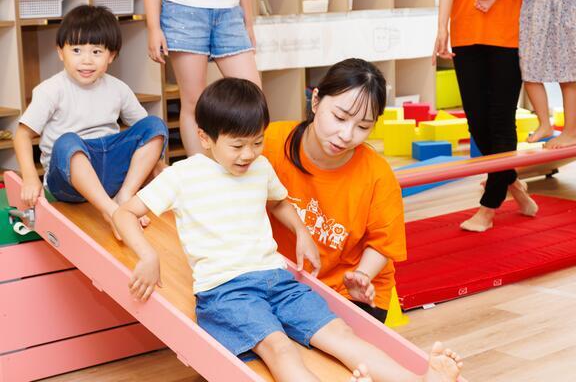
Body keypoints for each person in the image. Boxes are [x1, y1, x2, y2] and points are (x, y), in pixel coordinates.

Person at [113, 78, 463, 382]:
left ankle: (421, 380)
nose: (248, 154)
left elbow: (280, 201)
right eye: (237, 145)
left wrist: (301, 232)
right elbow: (125, 213)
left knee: (340, 333)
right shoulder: (183, 176)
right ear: (205, 138)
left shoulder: (260, 167)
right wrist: (148, 256)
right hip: (227, 291)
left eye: (257, 142)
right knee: (280, 348)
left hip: (278, 280)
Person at [262, 58, 406, 323]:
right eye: (339, 118)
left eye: (363, 127)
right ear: (316, 101)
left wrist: (361, 276)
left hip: (350, 290)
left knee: (339, 343)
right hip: (278, 280)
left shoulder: (378, 174)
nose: (347, 135)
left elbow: (383, 243)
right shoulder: (269, 143)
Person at [14, 5, 168, 238]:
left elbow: (146, 133)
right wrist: (29, 177)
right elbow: (22, 135)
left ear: (111, 55)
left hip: (110, 174)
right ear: (60, 52)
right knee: (67, 142)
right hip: (68, 180)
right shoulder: (50, 90)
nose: (86, 60)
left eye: (96, 52)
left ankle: (124, 196)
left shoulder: (118, 88)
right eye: (76, 50)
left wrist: (158, 166)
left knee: (156, 125)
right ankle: (112, 211)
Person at [433, 0, 539, 232]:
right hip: (465, 27)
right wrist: (442, 27)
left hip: (508, 29)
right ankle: (513, 183)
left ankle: (488, 207)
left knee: (501, 121)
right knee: (477, 123)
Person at [143, 0, 261, 156]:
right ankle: (200, 167)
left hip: (230, 11)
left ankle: (244, 161)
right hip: (183, 9)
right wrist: (153, 28)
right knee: (194, 103)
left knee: (253, 95)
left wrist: (248, 23)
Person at [477, 0, 576, 148]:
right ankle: (544, 124)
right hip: (536, 1)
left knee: (567, 75)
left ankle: (570, 133)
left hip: (569, 2)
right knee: (529, 71)